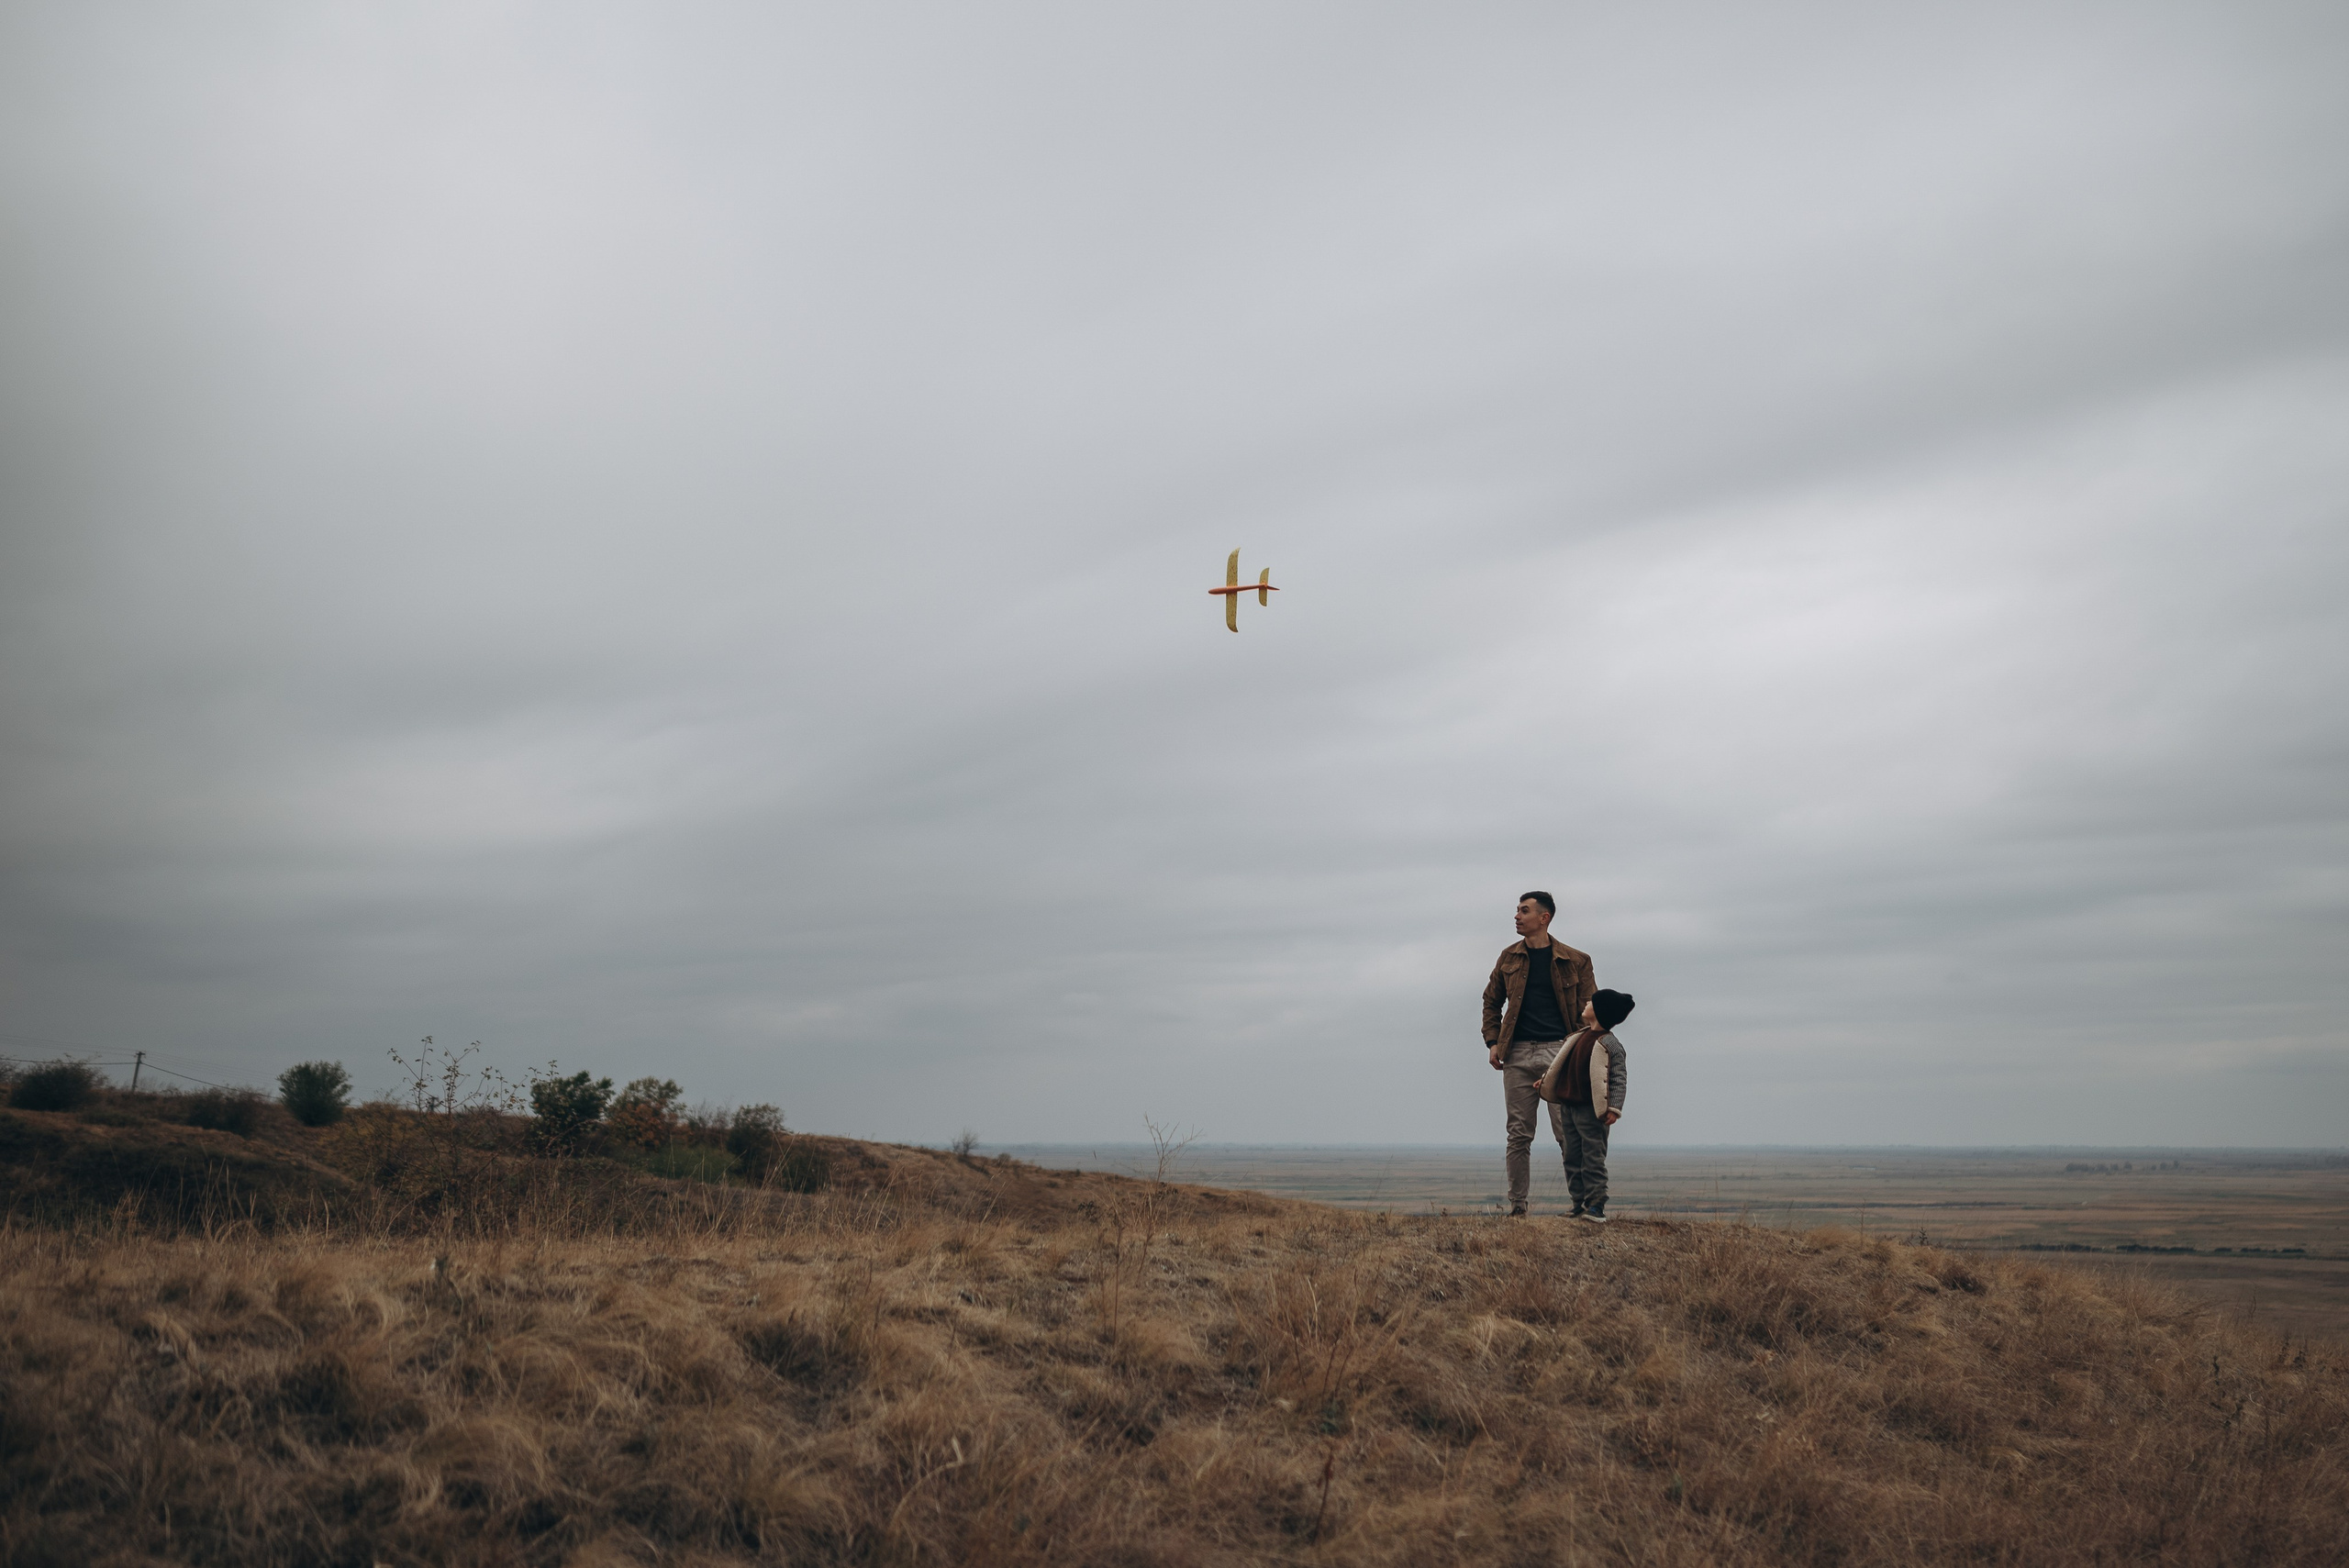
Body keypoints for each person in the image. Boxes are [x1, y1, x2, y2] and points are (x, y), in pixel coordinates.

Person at [1481, 891, 1596, 1218]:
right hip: (1516, 1053)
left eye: (1524, 911)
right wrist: (1493, 1042)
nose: (1517, 916)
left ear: (1544, 918)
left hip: (1561, 1052)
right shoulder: (1508, 957)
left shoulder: (1576, 960)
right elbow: (1491, 1001)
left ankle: (1583, 1205)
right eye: (1517, 910)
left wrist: (1578, 1052)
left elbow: (1592, 1010)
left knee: (1567, 1132)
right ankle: (1517, 1209)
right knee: (1518, 1134)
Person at [1538, 989, 1633, 1222]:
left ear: (1600, 1011)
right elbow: (1563, 1067)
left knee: (1593, 1157)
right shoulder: (1578, 1037)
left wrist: (1614, 1107)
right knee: (1572, 1156)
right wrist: (1545, 1080)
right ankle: (1578, 1204)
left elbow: (1618, 1078)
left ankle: (1596, 1205)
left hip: (1592, 1111)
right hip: (1568, 1106)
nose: (1586, 1002)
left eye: (1591, 1001)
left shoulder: (1610, 1044)